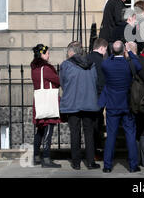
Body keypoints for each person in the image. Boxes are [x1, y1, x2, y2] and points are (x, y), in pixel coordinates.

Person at [98, 41, 142, 173]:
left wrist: (116, 52)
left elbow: (108, 59)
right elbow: (138, 65)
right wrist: (129, 52)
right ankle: (133, 165)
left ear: (112, 51)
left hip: (112, 104)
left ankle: (107, 166)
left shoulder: (106, 64)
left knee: (111, 136)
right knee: (130, 134)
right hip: (127, 104)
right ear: (124, 51)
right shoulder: (129, 64)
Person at [59, 41, 101, 170]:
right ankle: (90, 162)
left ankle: (76, 162)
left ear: (71, 51)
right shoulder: (91, 64)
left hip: (73, 103)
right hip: (88, 102)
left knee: (75, 133)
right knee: (89, 133)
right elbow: (95, 81)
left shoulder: (66, 65)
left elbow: (63, 83)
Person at [30, 44, 62, 168]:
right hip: (48, 102)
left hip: (39, 102)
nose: (49, 55)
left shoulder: (34, 68)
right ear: (42, 54)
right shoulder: (46, 68)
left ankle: (36, 156)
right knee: (48, 129)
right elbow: (58, 81)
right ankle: (46, 158)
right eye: (47, 53)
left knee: (40, 130)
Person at [86, 38, 108, 159]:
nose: (105, 53)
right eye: (105, 50)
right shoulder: (102, 62)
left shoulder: (86, 59)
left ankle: (91, 152)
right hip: (98, 97)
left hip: (86, 97)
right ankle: (96, 152)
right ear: (101, 48)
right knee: (97, 125)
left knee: (88, 127)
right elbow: (102, 81)